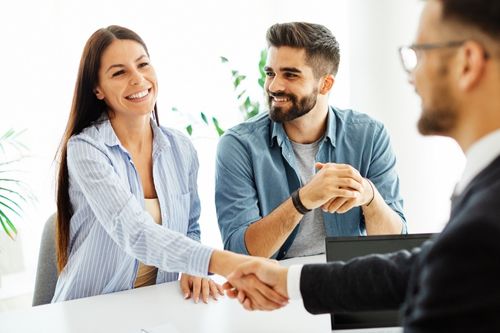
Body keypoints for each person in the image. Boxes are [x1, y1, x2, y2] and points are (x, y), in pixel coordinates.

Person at [225, 0, 500, 330]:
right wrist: (289, 279)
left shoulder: (485, 219)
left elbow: (413, 253)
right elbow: (419, 267)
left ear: (467, 63)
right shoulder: (483, 192)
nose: (411, 76)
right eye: (270, 73)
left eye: (421, 52)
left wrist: (369, 196)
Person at [52, 25, 287, 309]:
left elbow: (190, 226)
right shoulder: (86, 149)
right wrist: (228, 263)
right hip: (89, 310)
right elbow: (135, 231)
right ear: (97, 89)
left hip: (158, 306)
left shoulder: (180, 148)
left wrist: (193, 266)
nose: (138, 79)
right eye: (119, 72)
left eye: (143, 65)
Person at [215, 22, 406, 260]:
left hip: (347, 281)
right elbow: (237, 254)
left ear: (325, 84)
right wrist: (302, 200)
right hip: (274, 286)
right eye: (270, 73)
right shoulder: (239, 145)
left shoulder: (369, 135)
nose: (273, 86)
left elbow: (395, 245)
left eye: (290, 75)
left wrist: (369, 196)